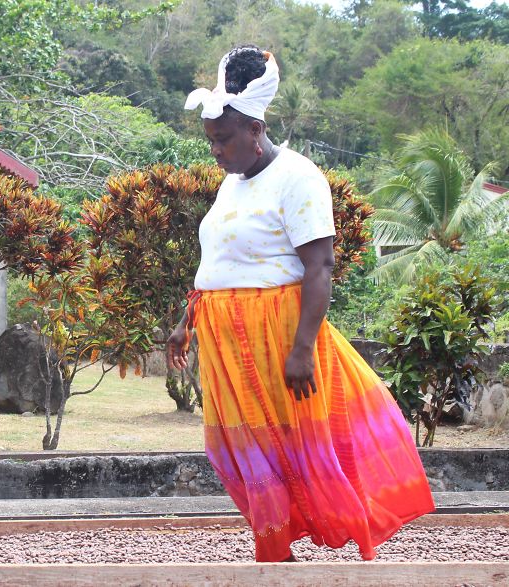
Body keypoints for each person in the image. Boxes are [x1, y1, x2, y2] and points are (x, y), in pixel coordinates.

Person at [167, 45, 434, 563]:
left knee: (300, 443)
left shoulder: (298, 177)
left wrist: (302, 349)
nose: (215, 151)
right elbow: (219, 262)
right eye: (211, 142)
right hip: (226, 340)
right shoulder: (232, 184)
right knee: (240, 451)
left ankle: (289, 550)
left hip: (277, 334)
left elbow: (320, 267)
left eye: (222, 141)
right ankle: (275, 545)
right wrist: (186, 322)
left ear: (254, 131)